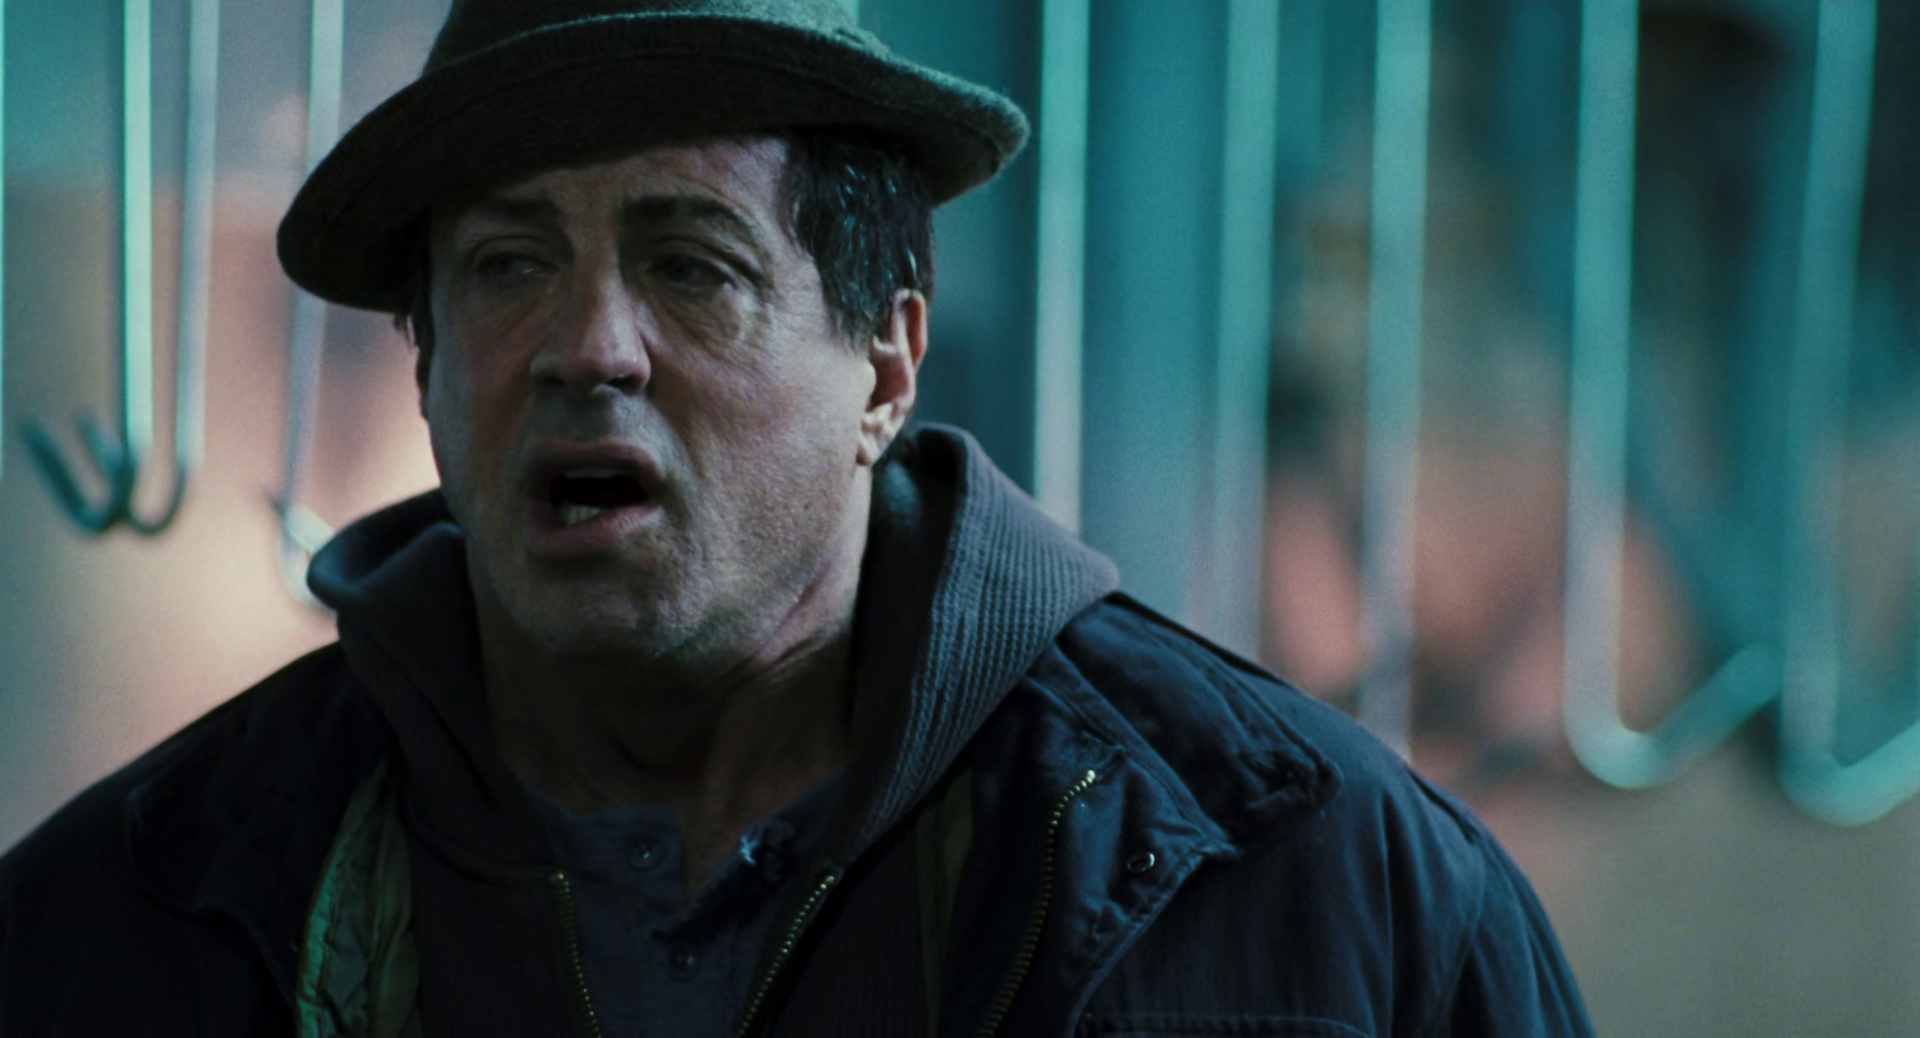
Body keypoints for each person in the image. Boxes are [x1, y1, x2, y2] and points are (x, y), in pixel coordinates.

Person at [0, 0, 1593, 1034]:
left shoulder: (1332, 892)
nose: (585, 344)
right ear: (424, 366)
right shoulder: (116, 926)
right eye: (506, 266)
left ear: (885, 364)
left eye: (690, 264)